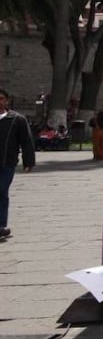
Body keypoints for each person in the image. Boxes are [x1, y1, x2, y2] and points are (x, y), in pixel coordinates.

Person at [0, 88, 36, 239]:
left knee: (1, 191)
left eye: (1, 98)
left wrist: (29, 161)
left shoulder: (16, 119)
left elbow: (26, 141)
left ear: (6, 100)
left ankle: (1, 225)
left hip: (7, 163)